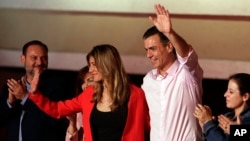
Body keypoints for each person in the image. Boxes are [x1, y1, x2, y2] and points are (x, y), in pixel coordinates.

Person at [10, 44, 150, 141]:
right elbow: (58, 109)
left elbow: (150, 126)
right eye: (90, 65)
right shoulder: (89, 94)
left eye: (94, 64)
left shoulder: (136, 94)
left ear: (107, 63)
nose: (91, 69)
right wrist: (35, 95)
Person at [141, 4, 204, 141]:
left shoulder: (187, 73)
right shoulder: (148, 80)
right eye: (146, 50)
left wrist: (169, 33)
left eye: (153, 49)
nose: (149, 55)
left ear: (169, 46)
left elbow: (187, 54)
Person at [0, 40, 72, 141]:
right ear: (23, 59)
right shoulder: (12, 86)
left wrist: (25, 97)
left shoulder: (58, 86)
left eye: (44, 58)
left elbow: (54, 122)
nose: (39, 62)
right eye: (34, 58)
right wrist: (10, 103)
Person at [194, 73, 250, 141]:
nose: (225, 95)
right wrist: (205, 128)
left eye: (231, 92)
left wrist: (208, 123)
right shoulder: (227, 116)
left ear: (245, 96)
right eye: (227, 90)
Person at [65, 66, 95, 141]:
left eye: (90, 80)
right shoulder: (79, 112)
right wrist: (72, 123)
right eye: (82, 82)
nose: (85, 86)